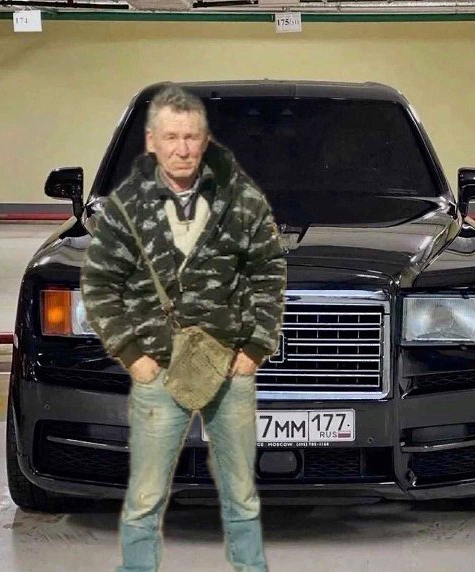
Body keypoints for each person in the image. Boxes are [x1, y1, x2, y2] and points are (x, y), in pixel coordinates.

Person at [80, 83, 286, 572]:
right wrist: (133, 355)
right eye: (171, 137)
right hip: (158, 370)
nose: (182, 148)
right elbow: (100, 283)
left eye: (191, 136)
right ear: (151, 141)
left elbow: (268, 272)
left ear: (205, 139)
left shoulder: (242, 200)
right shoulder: (127, 207)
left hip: (229, 367)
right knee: (146, 495)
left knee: (241, 493)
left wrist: (255, 348)